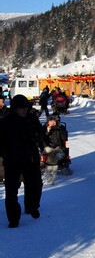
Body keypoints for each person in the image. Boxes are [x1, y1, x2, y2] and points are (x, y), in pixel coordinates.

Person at [0, 95, 46, 227]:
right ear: (15, 109)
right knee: (11, 192)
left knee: (35, 185)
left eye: (26, 107)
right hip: (12, 161)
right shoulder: (5, 122)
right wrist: (6, 153)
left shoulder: (31, 119)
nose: (25, 110)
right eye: (22, 108)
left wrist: (36, 136)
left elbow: (40, 134)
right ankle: (13, 219)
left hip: (30, 159)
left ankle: (32, 206)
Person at [42, 115, 68, 185]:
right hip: (47, 146)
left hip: (58, 146)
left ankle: (61, 165)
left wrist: (61, 131)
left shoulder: (61, 128)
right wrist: (47, 131)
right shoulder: (44, 128)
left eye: (54, 121)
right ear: (48, 122)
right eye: (51, 121)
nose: (53, 123)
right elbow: (41, 138)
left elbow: (64, 139)